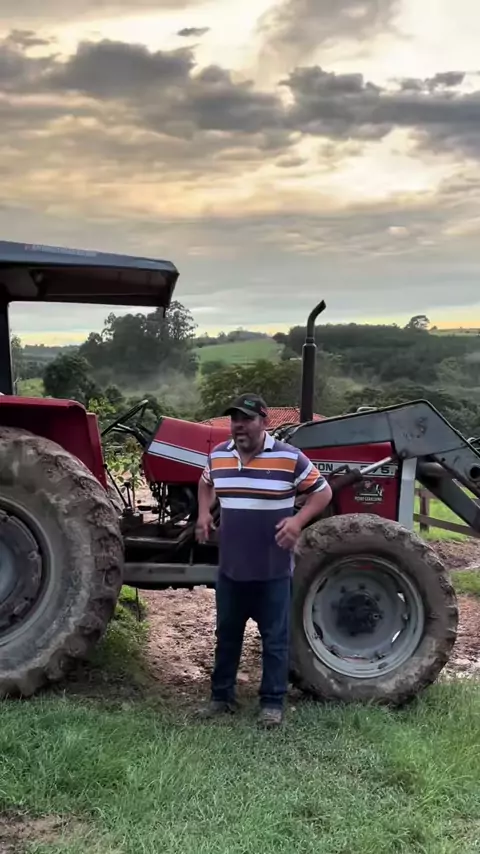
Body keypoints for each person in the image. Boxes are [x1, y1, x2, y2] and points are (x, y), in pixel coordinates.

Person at [195, 393, 332, 727]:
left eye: (247, 419)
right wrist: (203, 514)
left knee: (275, 640)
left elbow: (323, 492)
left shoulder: (289, 458)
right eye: (234, 419)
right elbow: (204, 482)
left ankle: (272, 703)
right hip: (231, 571)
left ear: (264, 422)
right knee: (227, 636)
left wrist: (298, 522)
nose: (239, 425)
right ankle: (221, 697)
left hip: (273, 571)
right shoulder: (219, 456)